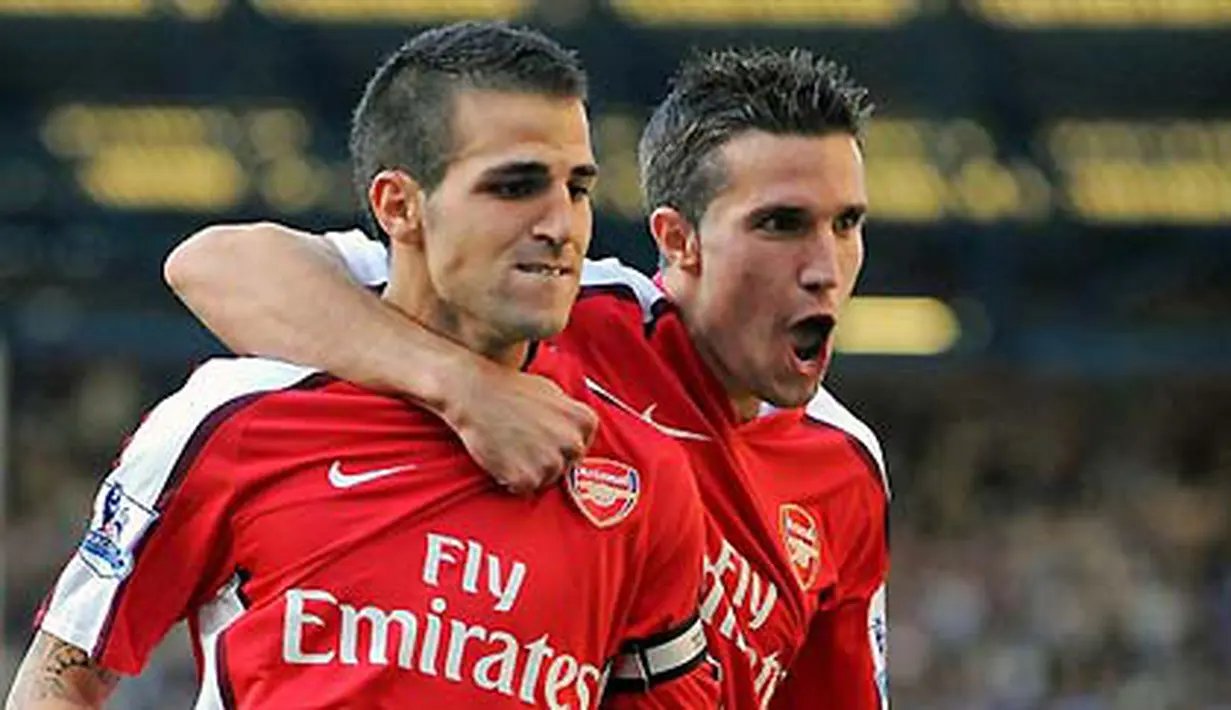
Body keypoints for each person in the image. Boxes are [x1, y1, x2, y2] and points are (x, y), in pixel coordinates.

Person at [6, 22, 718, 709]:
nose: (561, 224)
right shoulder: (232, 420)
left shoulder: (638, 472)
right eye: (513, 186)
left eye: (578, 188)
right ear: (399, 205)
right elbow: (57, 681)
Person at [165, 47, 890, 709]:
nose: (823, 268)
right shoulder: (555, 308)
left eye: (847, 224)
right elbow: (216, 265)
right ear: (677, 240)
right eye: (781, 224)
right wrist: (463, 385)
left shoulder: (847, 472)